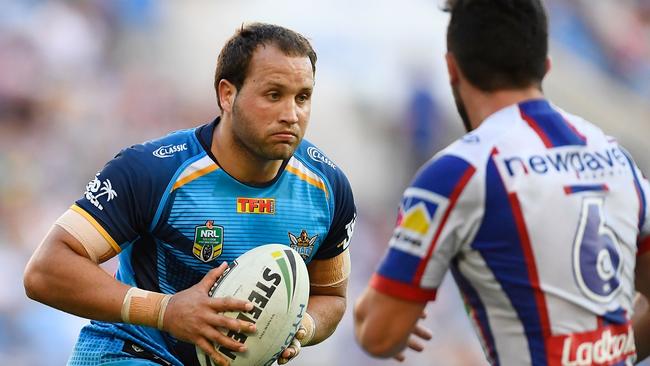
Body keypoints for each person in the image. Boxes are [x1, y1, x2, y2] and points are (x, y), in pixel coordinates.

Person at [24, 22, 356, 366]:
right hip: (130, 354)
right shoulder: (153, 172)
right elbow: (46, 271)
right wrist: (165, 311)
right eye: (274, 95)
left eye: (302, 97)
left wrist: (300, 326)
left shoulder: (328, 189)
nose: (291, 115)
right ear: (227, 95)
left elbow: (330, 295)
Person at [353, 0, 650, 364]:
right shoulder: (617, 157)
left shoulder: (456, 172)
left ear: (452, 69)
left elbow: (379, 335)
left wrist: (373, 308)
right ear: (545, 66)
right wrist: (607, 353)